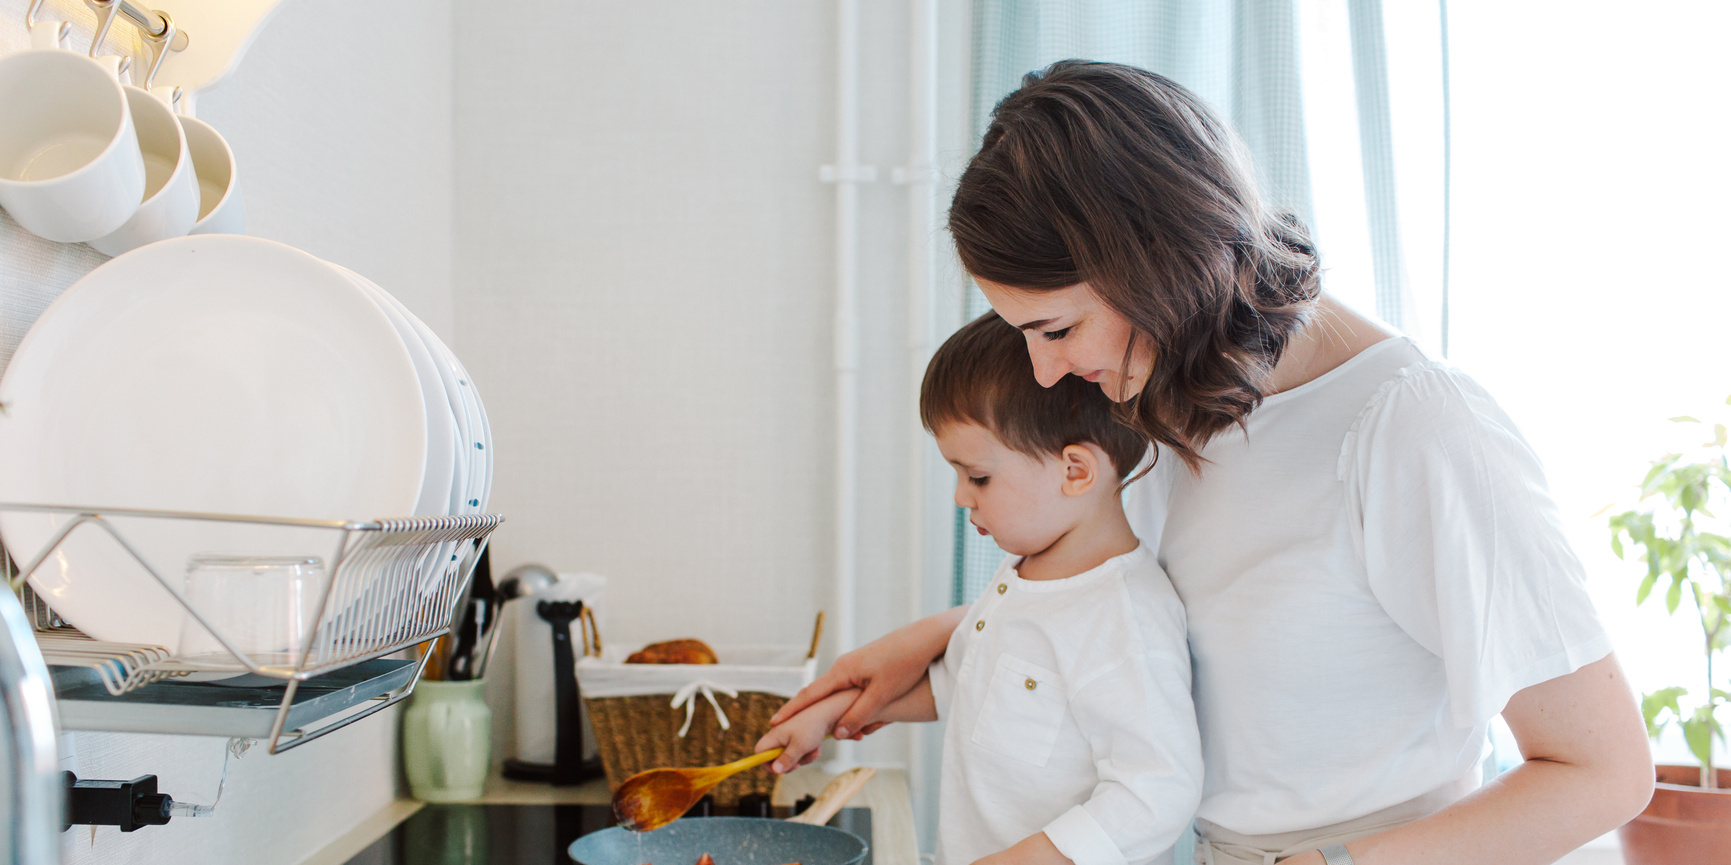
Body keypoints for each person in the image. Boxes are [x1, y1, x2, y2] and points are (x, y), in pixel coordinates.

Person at [771, 61, 1655, 865]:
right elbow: (1179, 629)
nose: (1043, 372)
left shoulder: (1416, 429)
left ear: (1156, 261)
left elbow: (1601, 771)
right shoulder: (1160, 394)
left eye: (1057, 329)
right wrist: (929, 650)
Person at [758, 312, 1202, 865]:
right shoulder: (1021, 576)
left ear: (1076, 472)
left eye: (978, 477)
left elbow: (1157, 790)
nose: (961, 498)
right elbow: (962, 687)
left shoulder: (1124, 619)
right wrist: (828, 715)